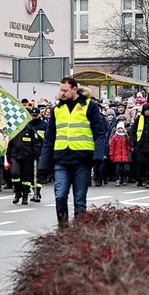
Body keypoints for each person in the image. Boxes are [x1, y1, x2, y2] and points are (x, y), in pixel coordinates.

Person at [38, 77, 106, 228]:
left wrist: (98, 157)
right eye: (61, 90)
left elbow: (99, 133)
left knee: (79, 199)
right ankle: (63, 229)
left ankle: (79, 232)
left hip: (82, 160)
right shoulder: (57, 109)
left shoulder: (90, 106)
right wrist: (43, 164)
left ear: (74, 89)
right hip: (61, 159)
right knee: (60, 196)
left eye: (65, 90)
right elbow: (50, 138)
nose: (62, 93)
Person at [6, 108, 43, 205]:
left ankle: (25, 195)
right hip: (16, 156)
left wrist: (37, 156)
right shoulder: (14, 130)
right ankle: (18, 193)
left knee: (26, 178)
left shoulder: (30, 129)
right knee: (14, 174)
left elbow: (36, 143)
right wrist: (8, 156)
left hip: (28, 156)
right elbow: (9, 144)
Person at [109, 122, 131, 186]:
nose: (120, 130)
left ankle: (124, 179)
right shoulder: (114, 137)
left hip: (124, 155)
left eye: (121, 128)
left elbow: (128, 144)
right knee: (117, 169)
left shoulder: (125, 137)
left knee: (125, 169)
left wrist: (129, 150)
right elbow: (112, 146)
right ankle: (117, 179)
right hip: (117, 155)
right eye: (119, 128)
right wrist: (111, 154)